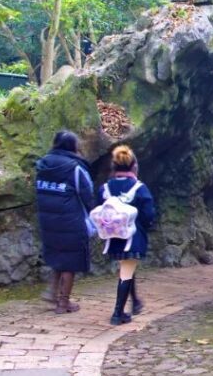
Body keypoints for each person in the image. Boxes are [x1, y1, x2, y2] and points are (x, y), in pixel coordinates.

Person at [35, 130, 96, 314]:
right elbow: (88, 195)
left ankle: (53, 292)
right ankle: (63, 303)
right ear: (73, 147)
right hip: (71, 221)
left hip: (48, 221)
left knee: (58, 256)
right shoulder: (75, 168)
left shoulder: (43, 164)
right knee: (70, 261)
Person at [99, 145, 155, 325]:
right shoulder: (138, 187)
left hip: (113, 236)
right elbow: (148, 214)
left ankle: (135, 302)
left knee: (127, 269)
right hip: (133, 237)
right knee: (126, 271)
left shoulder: (106, 187)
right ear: (134, 166)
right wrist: (147, 226)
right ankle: (117, 313)